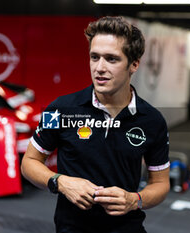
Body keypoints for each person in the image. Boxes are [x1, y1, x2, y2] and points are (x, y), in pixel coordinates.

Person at [21, 16, 170, 233]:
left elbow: (160, 184)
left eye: (111, 59)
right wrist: (60, 182)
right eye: (94, 57)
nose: (99, 67)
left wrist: (134, 199)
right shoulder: (60, 109)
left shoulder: (152, 121)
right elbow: (29, 162)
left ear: (134, 64)